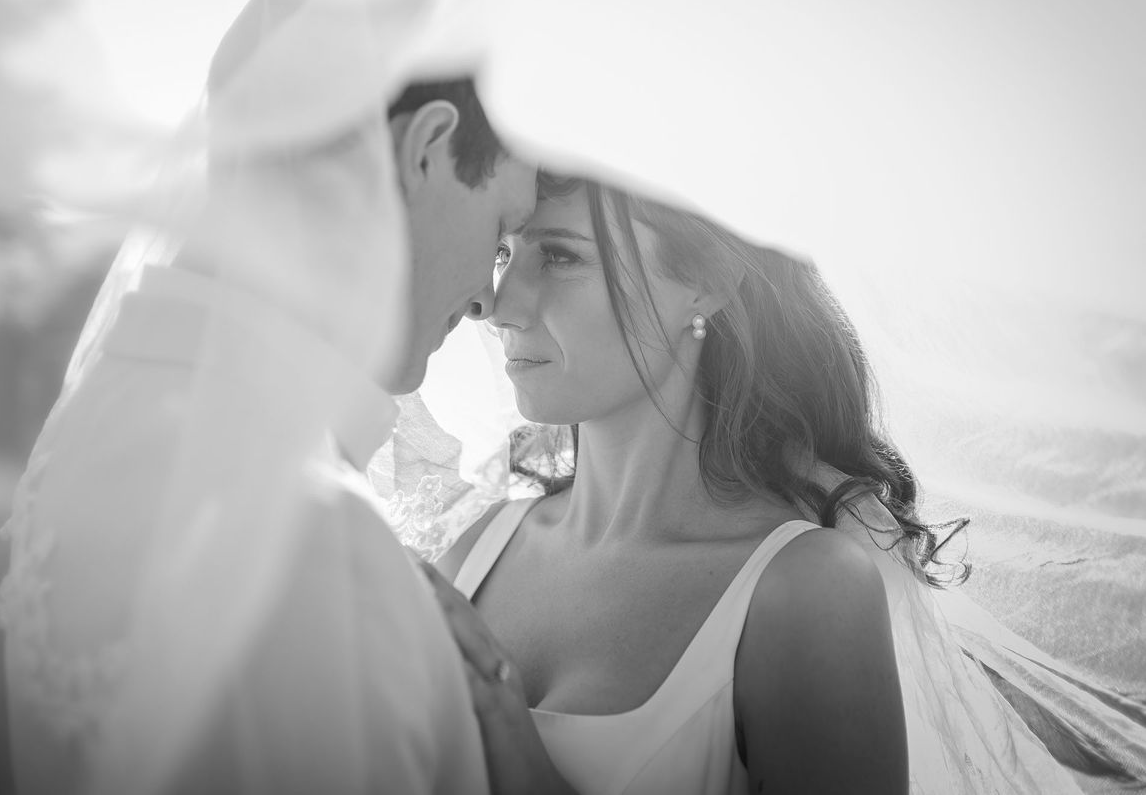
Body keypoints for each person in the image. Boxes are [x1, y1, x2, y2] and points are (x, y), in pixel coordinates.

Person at [0, 0, 538, 794]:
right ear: (425, 150)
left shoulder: (95, 423)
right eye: (501, 235)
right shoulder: (313, 545)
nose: (486, 303)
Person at [408, 171, 1116, 794]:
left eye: (560, 256)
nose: (503, 305)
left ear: (705, 287)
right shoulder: (473, 554)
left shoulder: (804, 592)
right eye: (505, 255)